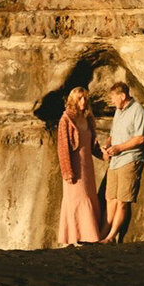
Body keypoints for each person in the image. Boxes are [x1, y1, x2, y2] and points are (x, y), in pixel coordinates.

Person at [56, 85, 104, 245]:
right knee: (77, 198)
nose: (83, 102)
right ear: (73, 100)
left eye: (85, 98)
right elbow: (62, 148)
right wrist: (67, 172)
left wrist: (104, 155)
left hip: (87, 166)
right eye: (80, 99)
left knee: (89, 197)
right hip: (74, 166)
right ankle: (72, 238)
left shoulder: (88, 119)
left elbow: (92, 145)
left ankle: (87, 236)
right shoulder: (66, 120)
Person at [101, 79, 144, 243]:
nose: (111, 101)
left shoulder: (137, 110)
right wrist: (107, 145)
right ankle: (103, 234)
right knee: (110, 198)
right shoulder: (118, 111)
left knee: (122, 201)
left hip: (129, 160)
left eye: (113, 97)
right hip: (115, 161)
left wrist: (119, 148)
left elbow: (140, 138)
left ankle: (111, 236)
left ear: (122, 96)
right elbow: (113, 135)